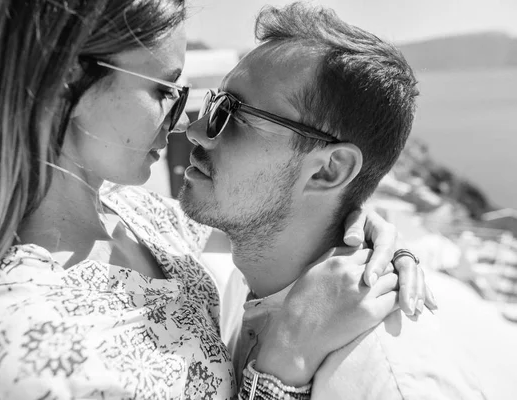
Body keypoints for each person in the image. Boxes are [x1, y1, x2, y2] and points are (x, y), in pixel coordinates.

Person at [0, 1, 432, 399]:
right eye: (164, 90)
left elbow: (272, 213)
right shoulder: (28, 342)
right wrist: (283, 363)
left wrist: (362, 224)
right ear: (62, 86)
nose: (187, 122)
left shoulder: (133, 214)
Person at [180, 3, 485, 398]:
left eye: (235, 115)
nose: (197, 131)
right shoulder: (246, 285)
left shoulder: (390, 378)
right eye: (215, 104)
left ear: (329, 171)